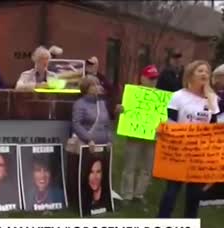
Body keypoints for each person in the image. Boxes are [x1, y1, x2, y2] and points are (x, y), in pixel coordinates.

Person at [157, 60, 219, 218]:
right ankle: (160, 225)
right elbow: (171, 122)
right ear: (190, 75)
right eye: (200, 71)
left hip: (199, 156)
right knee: (171, 193)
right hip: (178, 152)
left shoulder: (212, 99)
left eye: (207, 71)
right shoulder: (178, 96)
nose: (204, 74)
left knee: (194, 197)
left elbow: (213, 127)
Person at [117, 65, 160, 204]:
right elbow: (122, 111)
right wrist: (121, 110)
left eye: (155, 79)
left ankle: (139, 194)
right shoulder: (132, 94)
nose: (153, 81)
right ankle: (127, 194)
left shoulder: (160, 97)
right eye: (150, 78)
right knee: (130, 165)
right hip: (134, 134)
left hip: (151, 136)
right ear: (142, 78)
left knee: (147, 167)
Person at [72, 75, 112, 147]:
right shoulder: (80, 104)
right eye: (94, 85)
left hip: (103, 146)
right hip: (88, 145)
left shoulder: (102, 103)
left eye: (98, 84)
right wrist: (88, 139)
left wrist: (109, 140)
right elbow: (76, 124)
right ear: (87, 89)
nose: (98, 87)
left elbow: (107, 124)